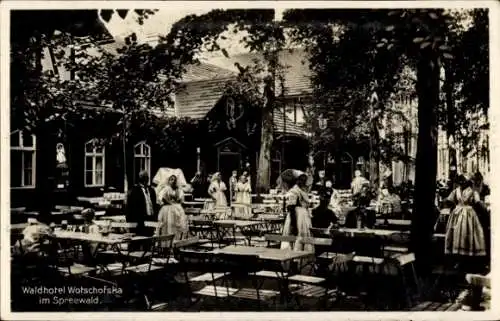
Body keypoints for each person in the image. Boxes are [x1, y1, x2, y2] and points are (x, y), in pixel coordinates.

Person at [444, 174, 486, 272]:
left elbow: (478, 203)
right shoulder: (456, 191)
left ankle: (467, 260)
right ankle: (458, 259)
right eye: (460, 181)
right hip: (457, 213)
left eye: (464, 181)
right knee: (456, 235)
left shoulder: (472, 192)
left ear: (468, 182)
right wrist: (453, 206)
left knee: (467, 234)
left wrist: (483, 210)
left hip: (469, 215)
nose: (462, 183)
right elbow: (449, 200)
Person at [281, 174, 314, 252]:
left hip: (304, 217)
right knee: (296, 237)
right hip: (297, 217)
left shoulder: (302, 190)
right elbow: (290, 207)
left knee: (303, 237)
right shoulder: (294, 191)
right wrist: (293, 224)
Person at [126, 170, 157, 236]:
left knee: (149, 240)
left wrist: (155, 218)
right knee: (138, 241)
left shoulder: (151, 190)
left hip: (150, 219)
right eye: (143, 177)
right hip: (139, 220)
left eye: (146, 177)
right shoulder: (134, 191)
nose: (146, 179)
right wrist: (131, 223)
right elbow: (130, 208)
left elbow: (154, 205)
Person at [158, 175, 189, 240]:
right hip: (167, 209)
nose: (173, 181)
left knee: (177, 226)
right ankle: (166, 242)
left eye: (174, 180)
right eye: (171, 179)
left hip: (177, 208)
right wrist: (169, 202)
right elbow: (162, 198)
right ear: (168, 181)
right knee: (167, 225)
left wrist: (177, 200)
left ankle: (176, 241)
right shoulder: (166, 189)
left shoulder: (178, 190)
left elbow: (181, 200)